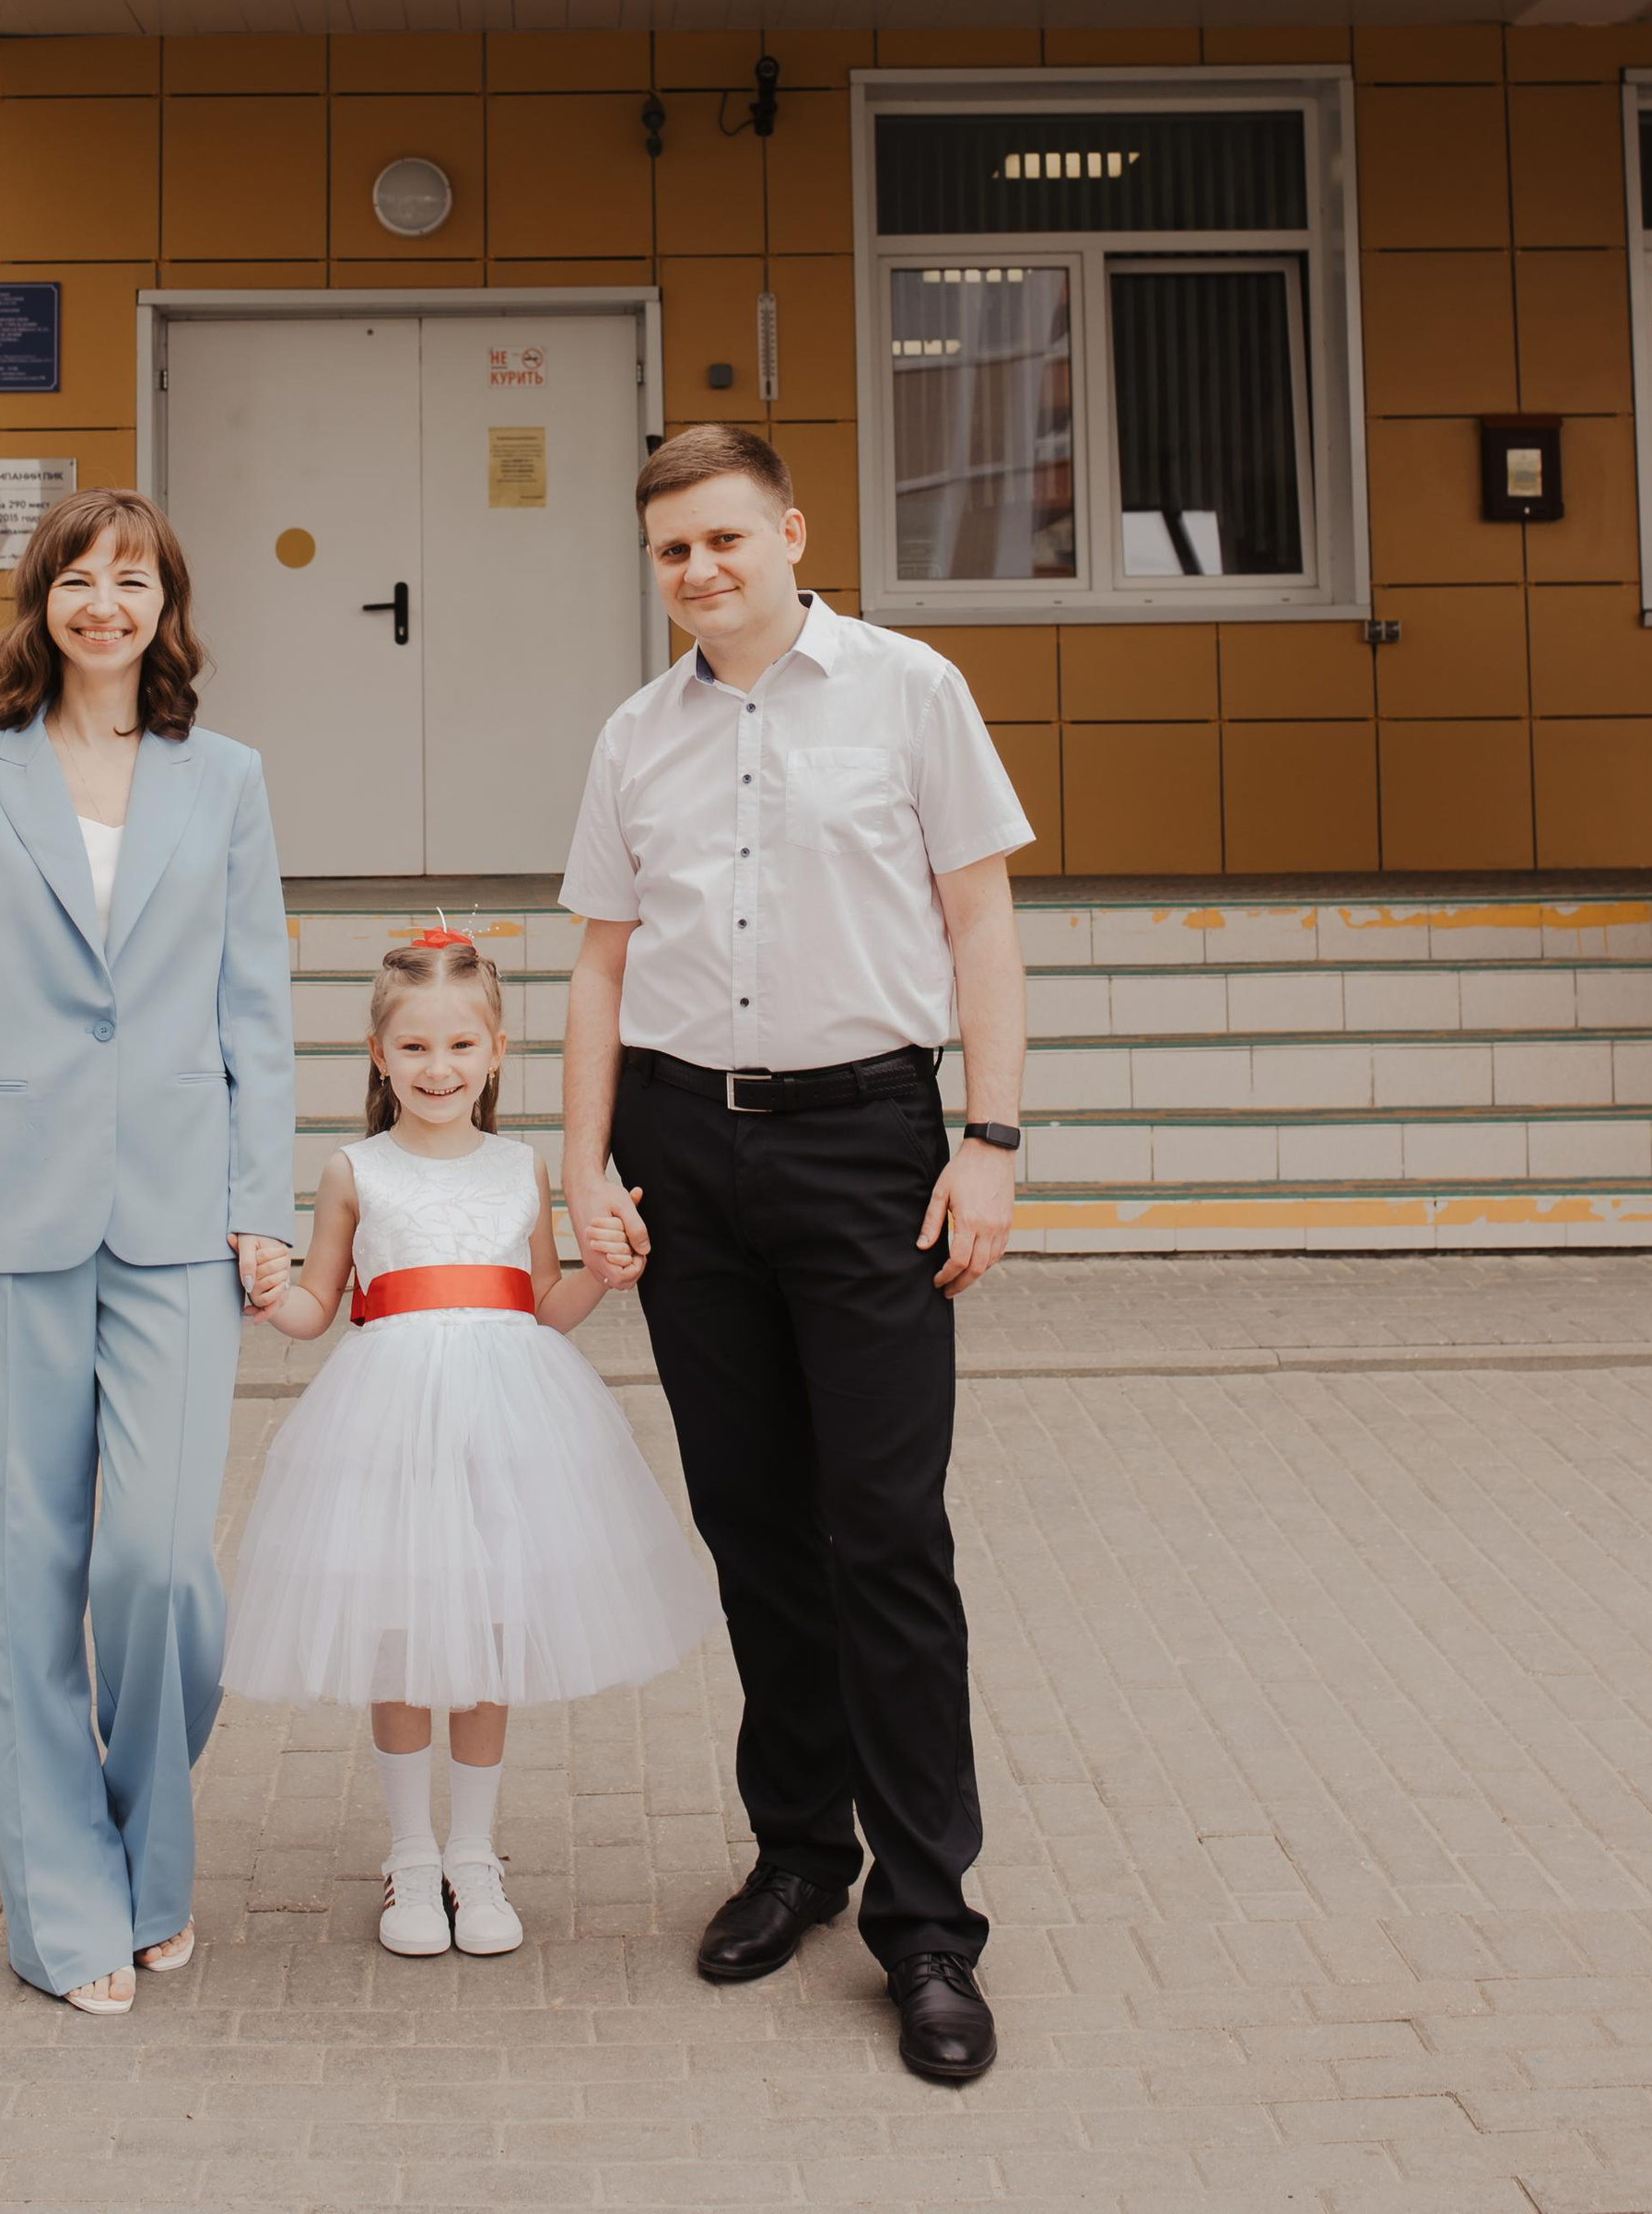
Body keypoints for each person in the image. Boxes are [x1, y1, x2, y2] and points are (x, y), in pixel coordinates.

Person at [557, 428, 1033, 2088]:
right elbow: (603, 970)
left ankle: (928, 1928)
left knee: (886, 1531)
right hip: (690, 1154)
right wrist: (582, 1167)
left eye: (724, 541)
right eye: (672, 552)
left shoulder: (910, 691)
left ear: (791, 535)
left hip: (867, 1150)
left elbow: (980, 920)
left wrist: (991, 1142)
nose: (699, 572)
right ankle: (797, 1852)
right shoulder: (637, 734)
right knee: (755, 1527)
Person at [0, 487, 295, 2016]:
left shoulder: (228, 781)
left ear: (165, 606)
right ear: (41, 600)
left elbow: (254, 1001)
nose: (103, 603)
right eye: (77, 577)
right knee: (25, 1576)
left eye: (133, 579)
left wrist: (262, 1198)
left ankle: (152, 1859)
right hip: (0, 1221)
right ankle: (67, 1910)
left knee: (156, 1569)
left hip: (183, 1219)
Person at [223, 937, 718, 1961]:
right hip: (390, 1433)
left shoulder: (522, 1168)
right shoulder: (352, 1169)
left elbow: (542, 1304)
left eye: (459, 1044)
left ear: (496, 1051)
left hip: (506, 1429)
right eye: (414, 1047)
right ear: (377, 1054)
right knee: (404, 1641)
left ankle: (474, 1854)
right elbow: (322, 1305)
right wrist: (276, 1292)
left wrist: (604, 1266)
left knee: (486, 1637)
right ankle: (409, 1855)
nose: (437, 1067)